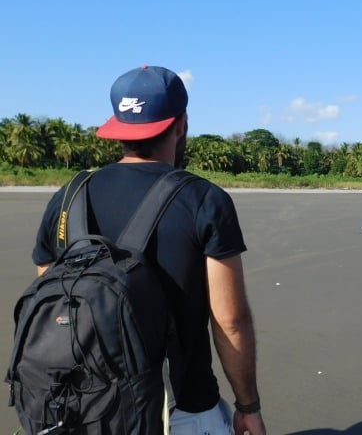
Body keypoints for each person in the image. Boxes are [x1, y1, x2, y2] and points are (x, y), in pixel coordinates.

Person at [32, 66, 266, 434]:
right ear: (181, 123)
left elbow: (51, 299)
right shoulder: (204, 199)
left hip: (82, 409)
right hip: (179, 409)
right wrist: (248, 405)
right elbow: (230, 321)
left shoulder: (68, 196)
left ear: (118, 123)